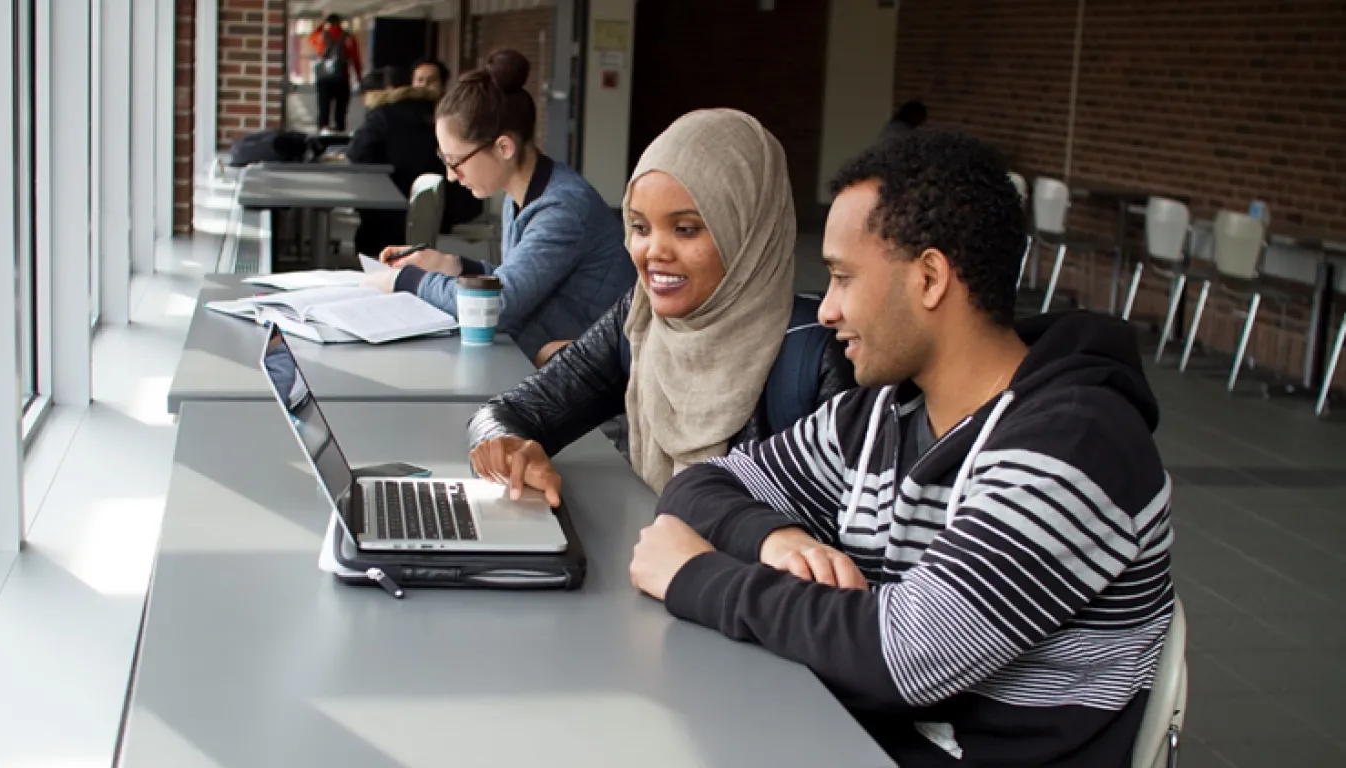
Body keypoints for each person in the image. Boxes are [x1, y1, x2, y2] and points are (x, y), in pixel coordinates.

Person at [628, 131, 1174, 766]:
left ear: (931, 278)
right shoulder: (882, 412)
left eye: (841, 276)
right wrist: (776, 539)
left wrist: (695, 577)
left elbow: (907, 654)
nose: (826, 310)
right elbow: (699, 487)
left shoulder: (1077, 444)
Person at [464, 108, 855, 502]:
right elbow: (509, 412)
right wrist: (506, 449)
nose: (653, 252)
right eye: (639, 227)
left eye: (685, 229)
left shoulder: (822, 356)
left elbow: (838, 539)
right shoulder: (639, 321)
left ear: (748, 231)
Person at [365, 49, 634, 362]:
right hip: (549, 358)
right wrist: (451, 266)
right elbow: (522, 280)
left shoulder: (563, 208)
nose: (451, 176)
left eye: (456, 161)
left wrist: (405, 280)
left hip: (592, 378)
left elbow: (498, 305)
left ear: (504, 147)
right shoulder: (520, 195)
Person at [347, 65, 443, 256]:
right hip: (441, 207)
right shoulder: (438, 114)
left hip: (385, 214)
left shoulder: (383, 113)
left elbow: (358, 152)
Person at [309, 14, 363, 133]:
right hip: (342, 78)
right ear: (340, 23)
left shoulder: (320, 36)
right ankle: (340, 133)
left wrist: (321, 25)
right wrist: (359, 78)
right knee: (341, 111)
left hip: (324, 78)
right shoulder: (348, 37)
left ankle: (323, 132)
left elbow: (311, 38)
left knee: (324, 109)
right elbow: (355, 59)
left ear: (327, 24)